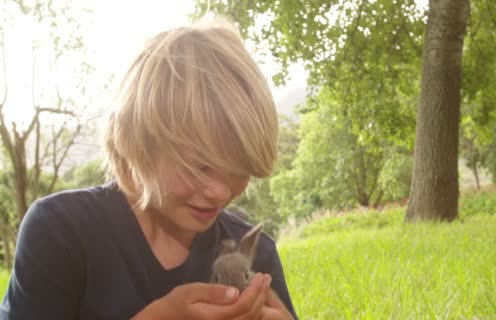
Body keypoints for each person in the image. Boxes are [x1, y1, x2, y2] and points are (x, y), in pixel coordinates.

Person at [0, 14, 298, 320]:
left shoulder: (252, 253)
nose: (221, 192)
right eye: (200, 166)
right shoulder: (59, 234)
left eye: (239, 167)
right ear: (136, 142)